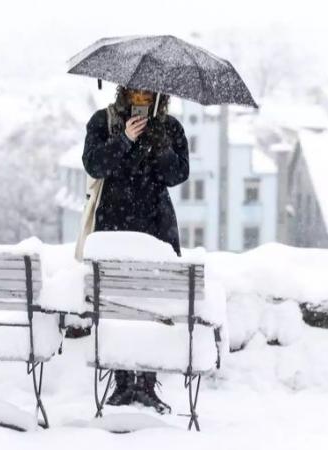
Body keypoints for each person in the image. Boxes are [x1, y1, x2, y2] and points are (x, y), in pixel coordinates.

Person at [81, 86, 189, 414]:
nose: (141, 98)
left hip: (156, 224)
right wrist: (124, 140)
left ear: (159, 96)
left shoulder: (170, 127)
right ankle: (122, 382)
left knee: (154, 305)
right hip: (116, 222)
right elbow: (93, 165)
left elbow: (178, 174)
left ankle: (146, 384)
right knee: (116, 303)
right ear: (124, 92)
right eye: (136, 92)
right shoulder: (104, 121)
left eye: (148, 93)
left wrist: (160, 145)